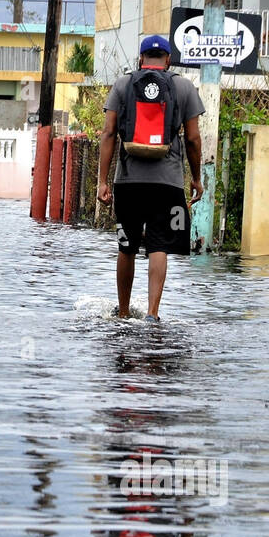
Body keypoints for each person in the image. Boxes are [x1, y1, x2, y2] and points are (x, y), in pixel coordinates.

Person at [96, 34, 204, 322]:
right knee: (159, 246)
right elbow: (193, 139)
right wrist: (196, 178)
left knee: (126, 246)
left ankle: (122, 312)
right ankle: (152, 314)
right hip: (166, 184)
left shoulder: (123, 84)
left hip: (128, 183)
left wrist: (103, 181)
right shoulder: (183, 86)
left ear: (141, 59)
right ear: (168, 60)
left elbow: (108, 133)